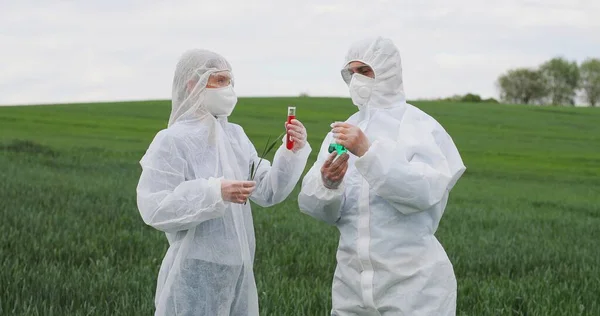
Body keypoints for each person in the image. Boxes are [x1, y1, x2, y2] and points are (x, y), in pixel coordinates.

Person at [298, 36, 466, 315]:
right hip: (351, 287)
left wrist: (367, 152)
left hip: (414, 288)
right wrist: (328, 184)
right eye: (352, 73)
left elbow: (423, 193)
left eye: (365, 71)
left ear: (388, 71)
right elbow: (319, 210)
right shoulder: (341, 130)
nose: (357, 80)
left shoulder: (421, 127)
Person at [136, 49, 311, 316]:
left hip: (238, 270)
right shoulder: (172, 140)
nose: (227, 88)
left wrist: (292, 150)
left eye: (229, 80)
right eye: (218, 80)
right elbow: (156, 207)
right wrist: (215, 192)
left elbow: (266, 189)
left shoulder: (235, 136)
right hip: (193, 269)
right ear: (192, 85)